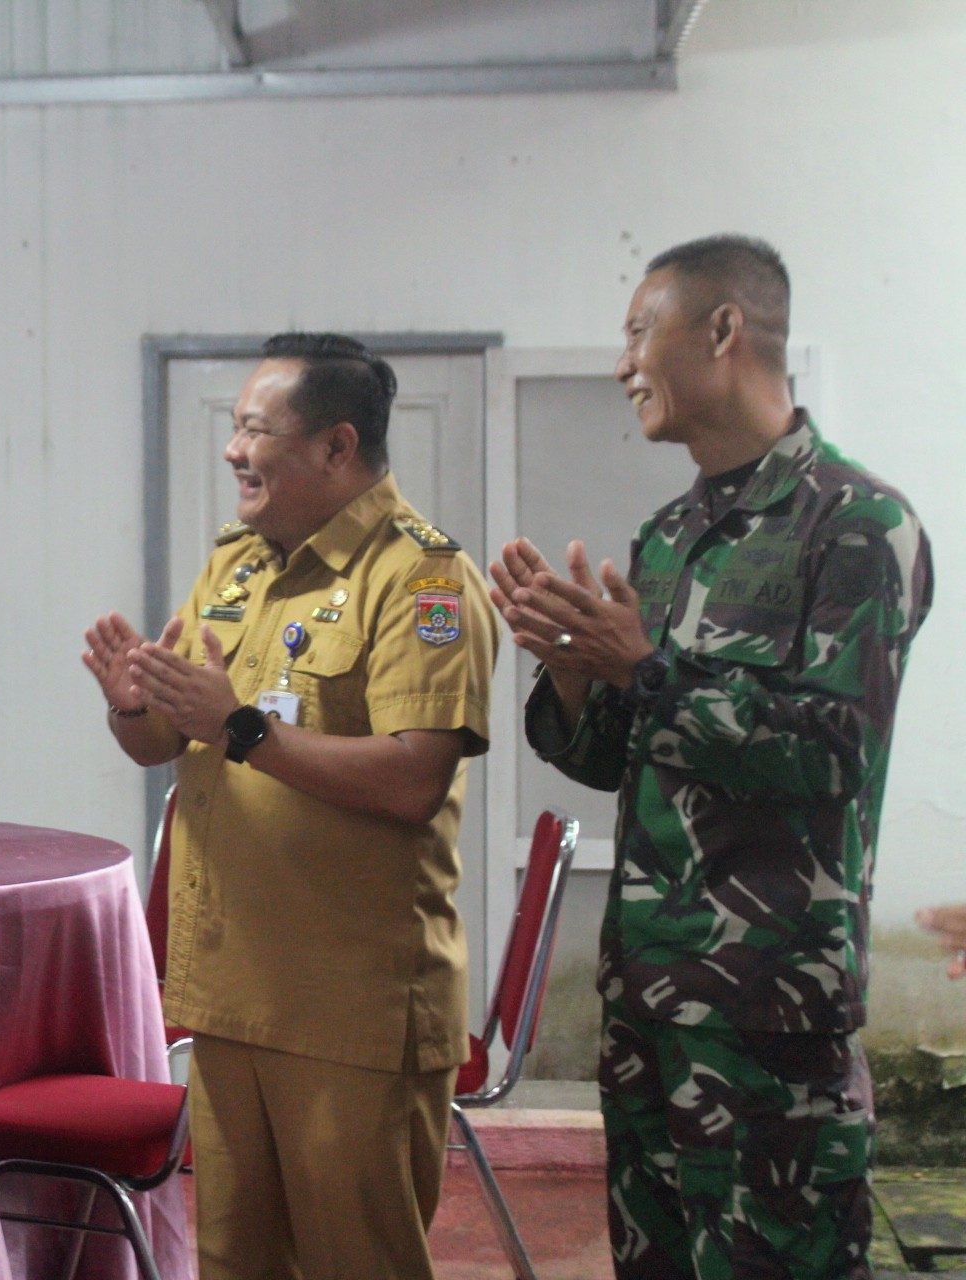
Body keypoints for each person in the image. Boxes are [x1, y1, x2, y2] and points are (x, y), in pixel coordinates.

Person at [491, 236, 933, 1280]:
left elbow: (833, 750)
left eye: (640, 331)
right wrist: (575, 674)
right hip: (650, 1003)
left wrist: (643, 670)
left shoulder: (858, 524)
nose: (622, 364)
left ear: (724, 329)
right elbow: (617, 758)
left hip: (771, 1021)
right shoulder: (671, 534)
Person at [84, 333, 496, 1279]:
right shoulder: (238, 568)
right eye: (235, 428)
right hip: (233, 997)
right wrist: (131, 705)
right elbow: (164, 742)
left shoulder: (425, 580)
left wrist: (240, 728)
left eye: (255, 430)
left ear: (335, 446)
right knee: (236, 1264)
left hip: (351, 1012)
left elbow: (413, 778)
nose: (234, 451)